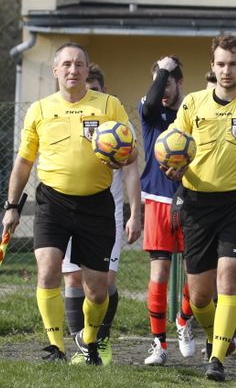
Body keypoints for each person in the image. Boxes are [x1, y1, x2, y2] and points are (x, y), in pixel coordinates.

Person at [2, 42, 137, 365]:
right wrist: (11, 207)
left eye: (79, 64)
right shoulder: (40, 110)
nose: (73, 70)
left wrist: (120, 158)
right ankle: (55, 347)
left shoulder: (109, 105)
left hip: (96, 205)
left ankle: (88, 339)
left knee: (98, 290)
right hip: (53, 202)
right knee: (48, 272)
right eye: (66, 65)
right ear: (55, 71)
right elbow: (23, 162)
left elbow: (132, 153)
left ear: (87, 70)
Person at [165, 34, 236, 382]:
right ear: (212, 66)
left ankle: (216, 359)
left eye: (233, 63)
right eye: (220, 64)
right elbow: (173, 147)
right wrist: (172, 169)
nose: (226, 70)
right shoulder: (193, 103)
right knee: (199, 297)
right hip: (196, 203)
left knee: (230, 279)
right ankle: (216, 335)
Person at [62, 63, 142, 366]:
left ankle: (101, 342)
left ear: (104, 91)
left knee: (105, 282)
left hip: (108, 215)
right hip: (70, 209)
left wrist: (136, 212)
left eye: (95, 89)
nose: (90, 93)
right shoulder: (68, 119)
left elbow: (133, 172)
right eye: (87, 89)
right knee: (72, 279)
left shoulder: (119, 126)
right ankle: (83, 348)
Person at [138, 55, 194, 365]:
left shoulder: (193, 112)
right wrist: (162, 70)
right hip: (158, 199)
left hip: (190, 200)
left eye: (169, 82)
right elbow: (149, 104)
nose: (163, 89)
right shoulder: (149, 110)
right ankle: (159, 344)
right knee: (158, 274)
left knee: (195, 274)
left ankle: (184, 321)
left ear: (180, 83)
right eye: (158, 82)